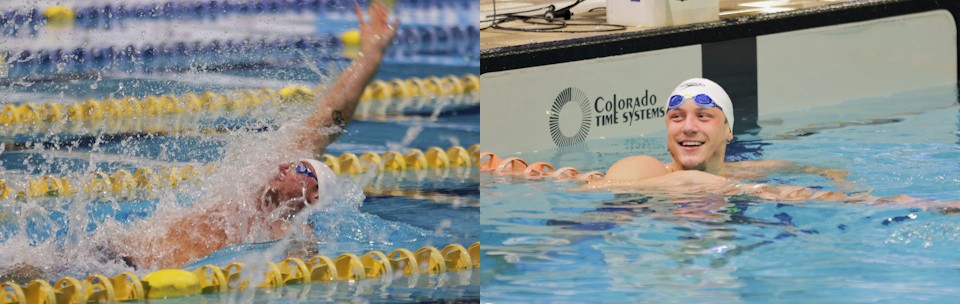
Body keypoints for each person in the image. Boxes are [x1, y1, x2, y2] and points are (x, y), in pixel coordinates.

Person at [109, 2, 400, 270]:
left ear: (314, 197)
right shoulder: (256, 180)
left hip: (133, 277)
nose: (285, 165)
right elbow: (328, 118)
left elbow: (298, 273)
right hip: (113, 250)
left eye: (300, 168)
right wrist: (370, 55)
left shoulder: (289, 233)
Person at [578, 78, 955, 211]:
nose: (688, 127)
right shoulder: (641, 167)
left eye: (703, 116)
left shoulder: (746, 173)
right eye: (677, 118)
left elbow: (816, 169)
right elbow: (597, 194)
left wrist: (845, 185)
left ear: (728, 131)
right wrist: (712, 184)